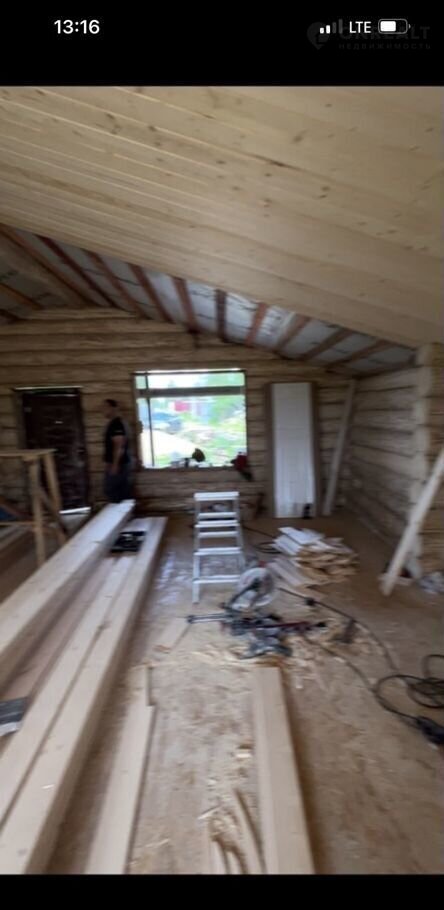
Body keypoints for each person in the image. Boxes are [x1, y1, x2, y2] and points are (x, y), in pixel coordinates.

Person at [103, 399, 131, 502]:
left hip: (119, 464)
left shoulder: (117, 424)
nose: (103, 410)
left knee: (113, 492)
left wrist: (115, 465)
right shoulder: (114, 423)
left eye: (105, 407)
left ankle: (120, 510)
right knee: (120, 491)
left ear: (113, 408)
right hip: (119, 464)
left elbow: (119, 445)